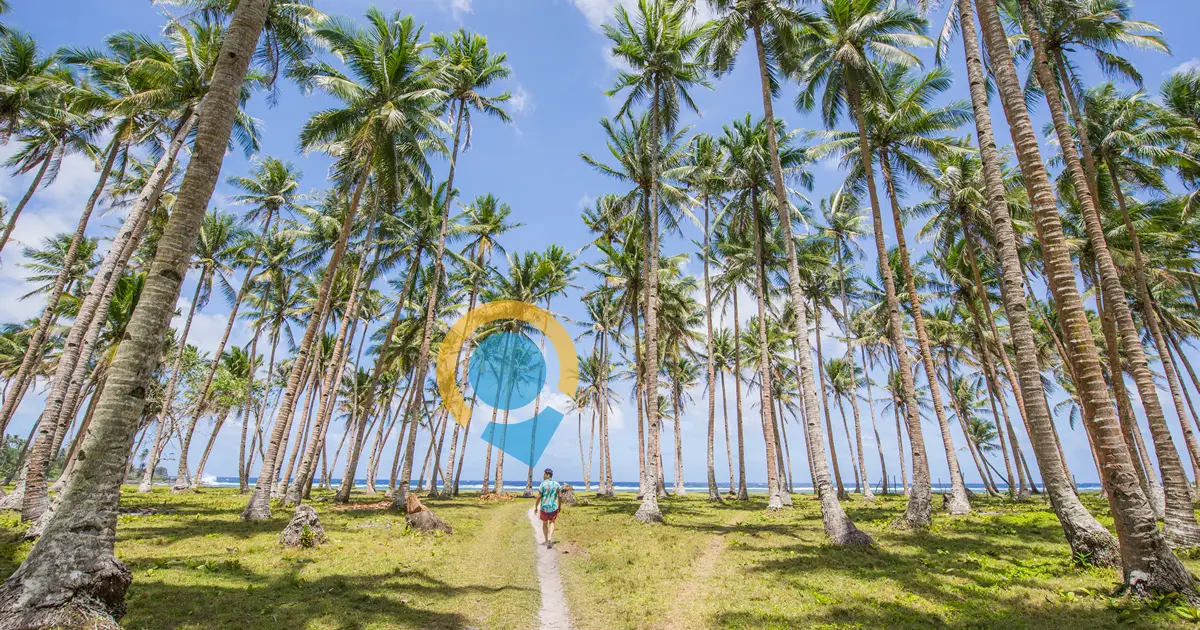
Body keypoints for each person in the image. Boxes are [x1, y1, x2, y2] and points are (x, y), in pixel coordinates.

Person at [536, 467, 561, 547]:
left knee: (544, 523)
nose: (543, 476)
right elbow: (560, 496)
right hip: (553, 507)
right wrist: (559, 506)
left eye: (544, 474)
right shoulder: (557, 484)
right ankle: (550, 537)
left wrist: (536, 506)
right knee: (552, 522)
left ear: (547, 475)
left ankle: (546, 540)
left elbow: (539, 496)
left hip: (544, 507)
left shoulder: (542, 484)